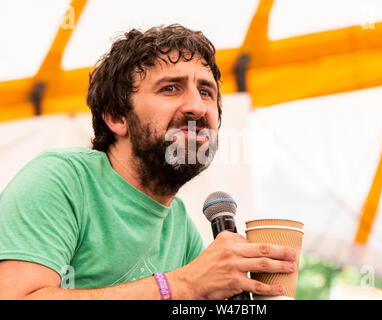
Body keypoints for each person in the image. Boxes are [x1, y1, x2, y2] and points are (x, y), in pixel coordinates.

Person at [0, 24, 297, 299]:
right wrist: (182, 284)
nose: (196, 106)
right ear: (117, 116)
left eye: (206, 92)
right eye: (170, 88)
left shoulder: (181, 227)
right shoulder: (62, 178)